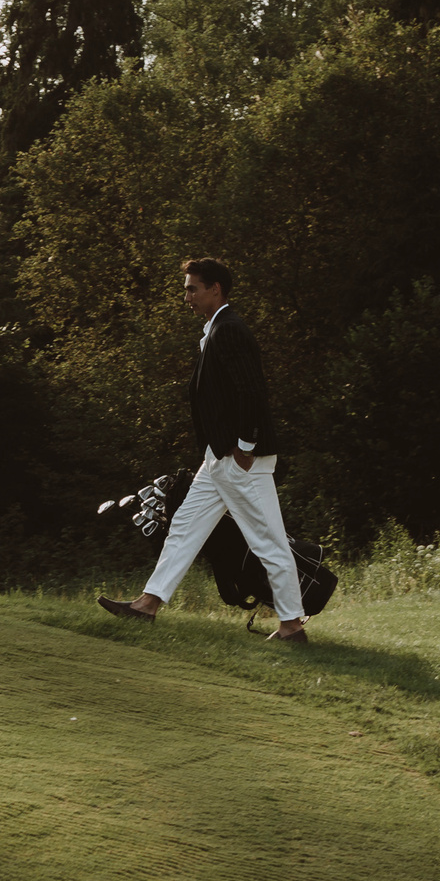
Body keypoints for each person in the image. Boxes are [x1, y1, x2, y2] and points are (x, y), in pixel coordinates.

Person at [99, 258, 308, 642]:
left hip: (240, 459)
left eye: (193, 288)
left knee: (268, 541)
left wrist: (245, 446)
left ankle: (292, 625)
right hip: (218, 460)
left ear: (216, 289)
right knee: (183, 527)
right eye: (186, 288)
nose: (187, 296)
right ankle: (147, 606)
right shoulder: (215, 330)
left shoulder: (230, 330)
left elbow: (252, 392)